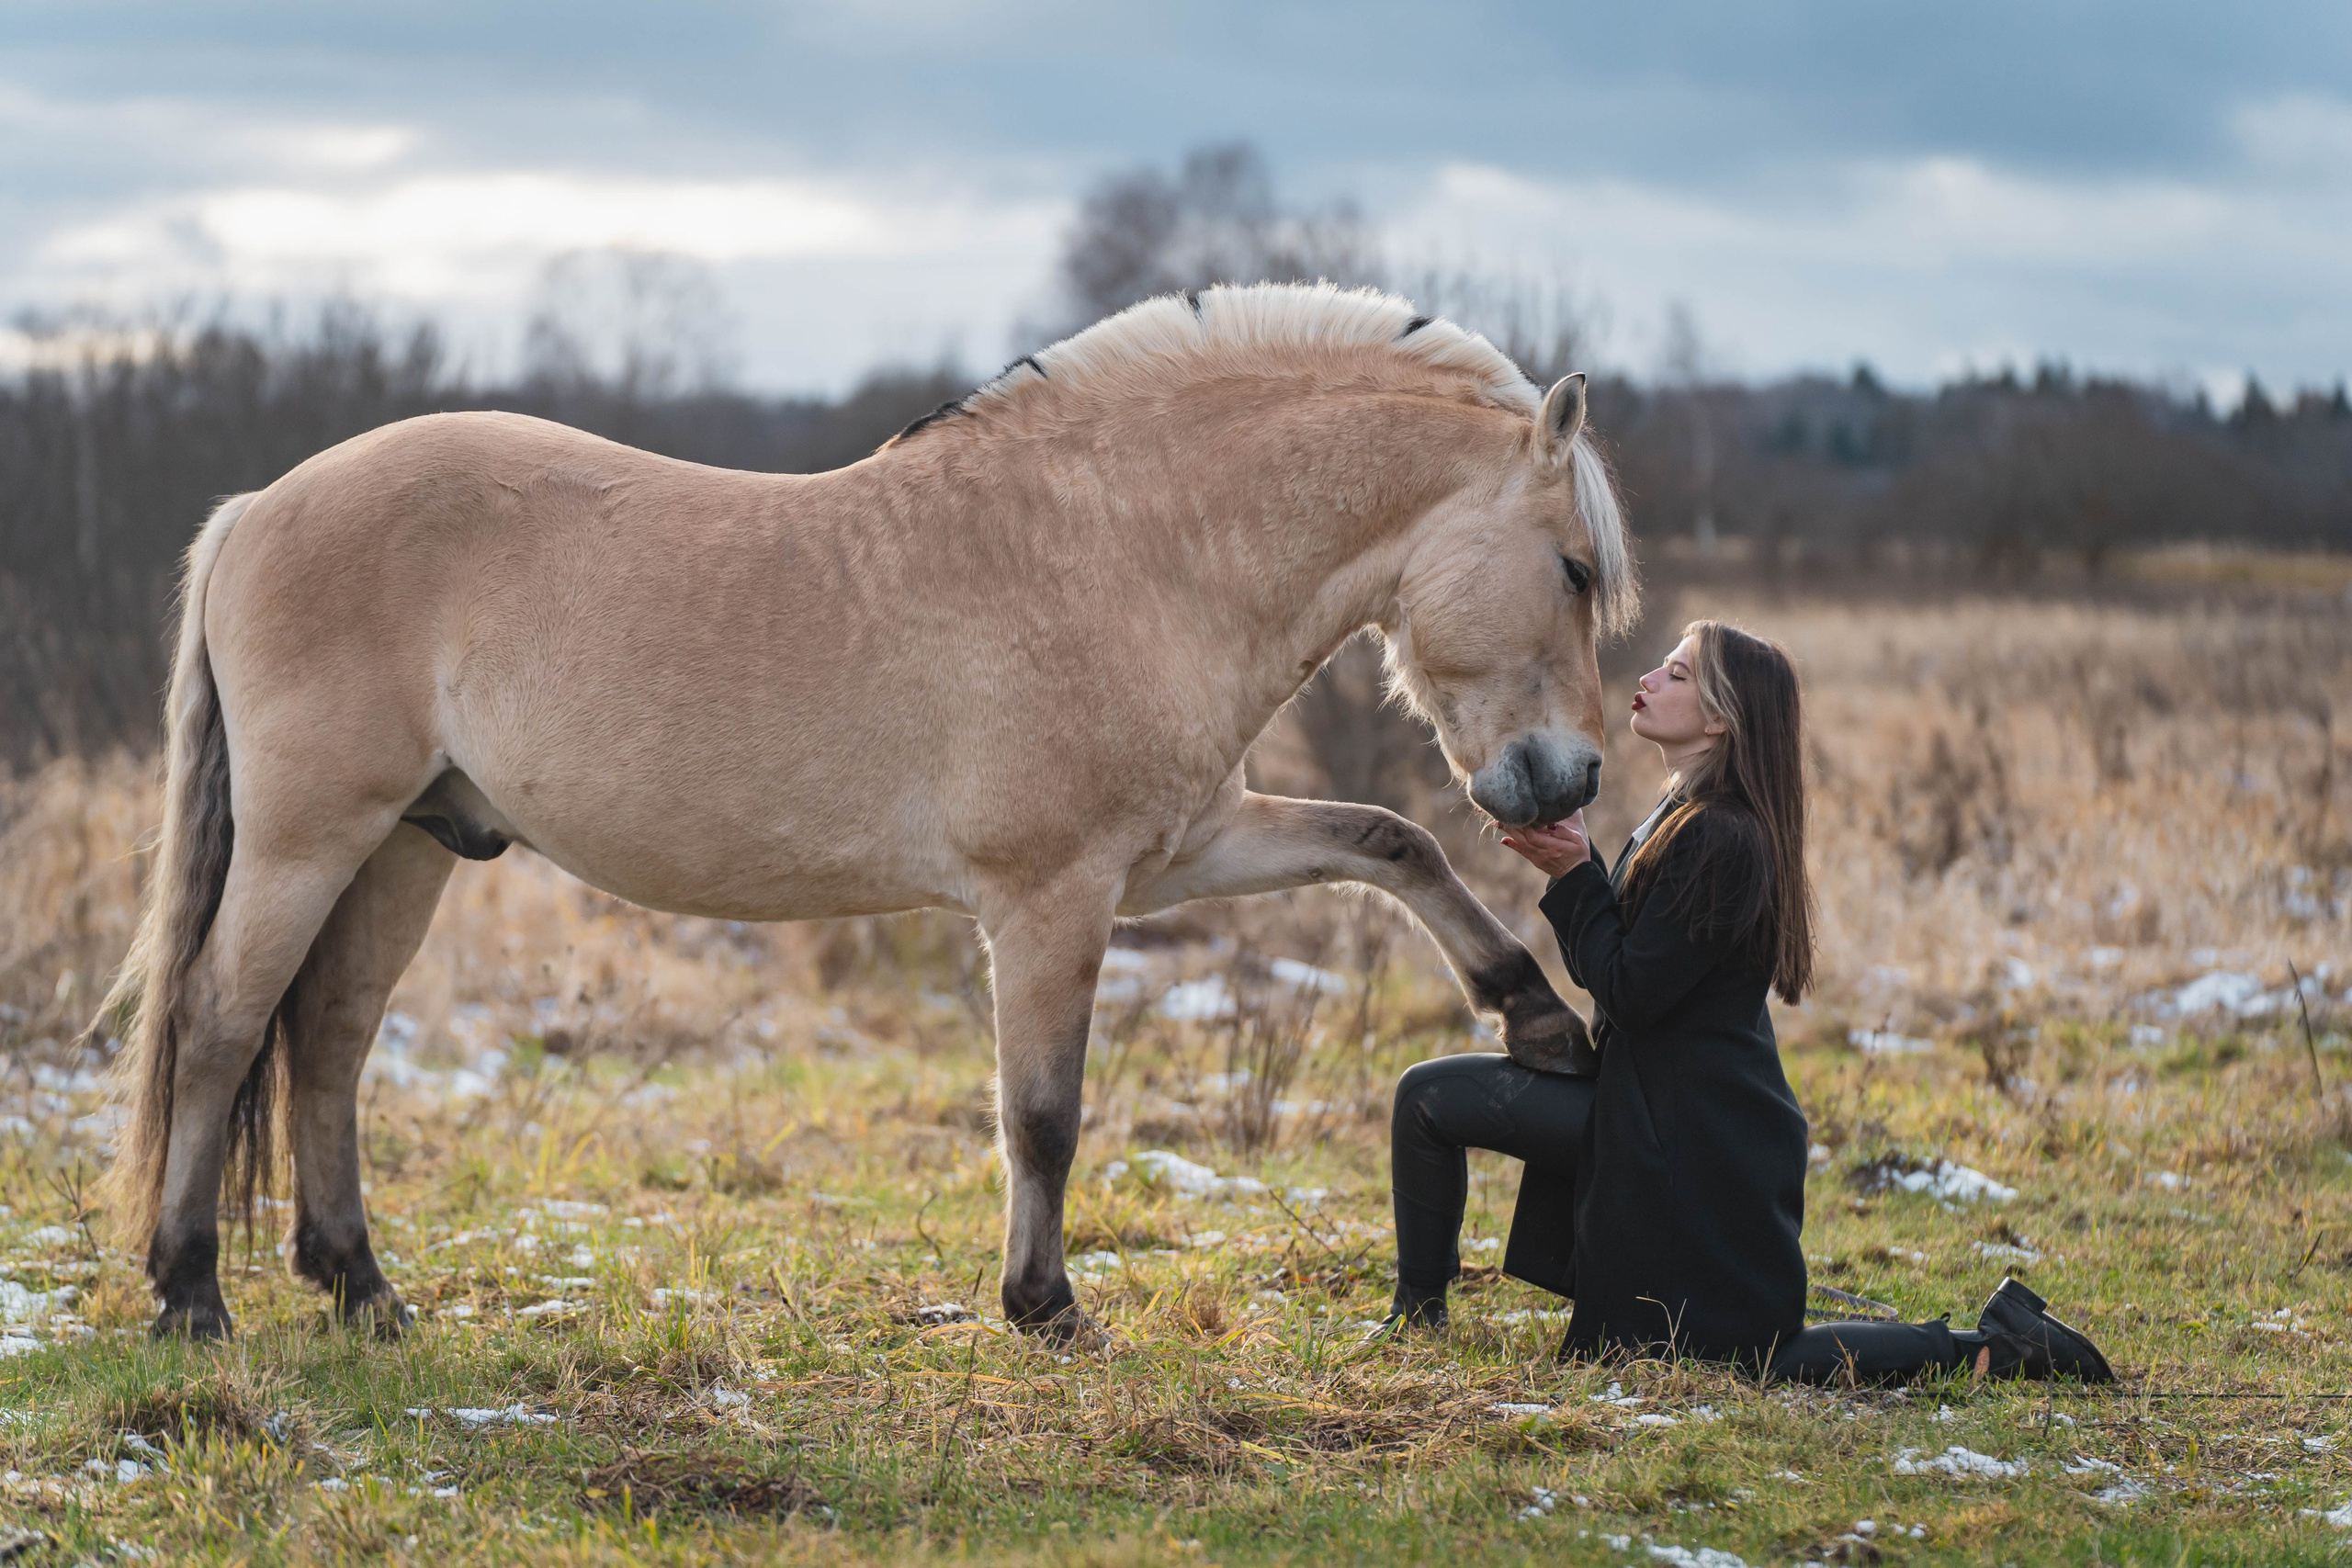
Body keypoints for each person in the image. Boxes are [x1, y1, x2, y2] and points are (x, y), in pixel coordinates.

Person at [1374, 619, 2112, 1385]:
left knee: (1756, 1358)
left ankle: (1989, 1350)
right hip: (1653, 1112)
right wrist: (1581, 864)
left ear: (1721, 716)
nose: (1651, 678)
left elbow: (1631, 991)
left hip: (1694, 1147)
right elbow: (1633, 968)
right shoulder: (1683, 814)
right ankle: (1416, 1318)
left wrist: (1575, 877)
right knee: (1428, 1100)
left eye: (1680, 674)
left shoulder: (1722, 838)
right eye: (1662, 667)